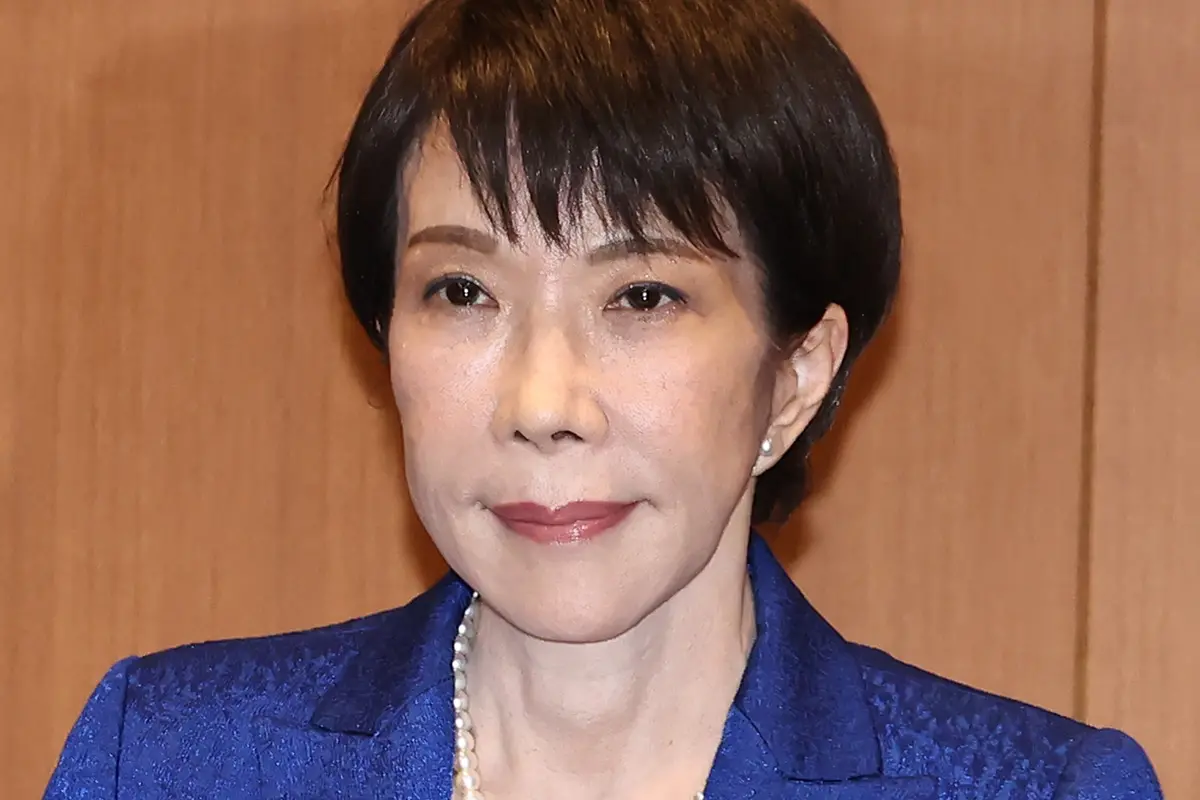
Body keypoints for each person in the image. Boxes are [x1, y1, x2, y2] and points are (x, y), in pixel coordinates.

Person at [44, 0, 1163, 798]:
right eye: (464, 291)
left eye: (641, 296)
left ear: (795, 374)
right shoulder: (167, 760)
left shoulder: (1044, 788)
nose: (542, 402)